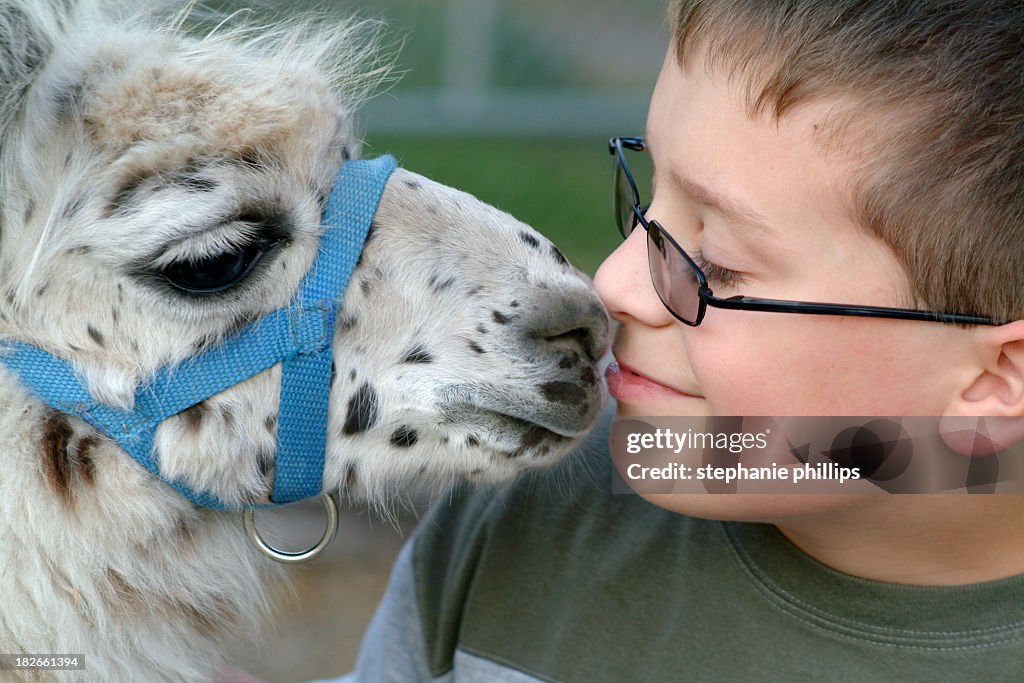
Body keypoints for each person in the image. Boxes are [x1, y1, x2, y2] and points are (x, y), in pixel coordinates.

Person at [226, 1, 1024, 680]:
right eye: (649, 195)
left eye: (716, 263)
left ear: (996, 377)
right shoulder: (536, 514)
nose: (612, 285)